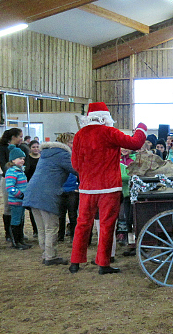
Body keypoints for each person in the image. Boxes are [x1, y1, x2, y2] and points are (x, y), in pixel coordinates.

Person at [69, 102, 147, 275]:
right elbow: (135, 143)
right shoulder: (110, 132)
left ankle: (75, 262)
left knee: (82, 224)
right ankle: (103, 263)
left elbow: (75, 164)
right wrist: (141, 127)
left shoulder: (80, 135)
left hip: (87, 188)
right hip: (109, 187)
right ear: (106, 117)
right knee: (106, 225)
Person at [23, 140, 77, 266]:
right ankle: (51, 256)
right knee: (51, 227)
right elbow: (77, 169)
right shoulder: (62, 154)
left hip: (32, 193)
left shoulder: (46, 154)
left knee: (42, 228)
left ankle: (45, 254)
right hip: (47, 195)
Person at [0, 128, 24, 242]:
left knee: (19, 206)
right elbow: (4, 165)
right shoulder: (3, 149)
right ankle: (8, 233)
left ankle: (18, 232)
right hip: (9, 179)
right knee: (8, 206)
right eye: (20, 136)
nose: (21, 139)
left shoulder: (20, 148)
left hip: (19, 179)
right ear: (13, 137)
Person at [4, 145, 32, 250]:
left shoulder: (20, 171)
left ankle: (20, 240)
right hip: (16, 201)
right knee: (16, 221)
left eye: (23, 159)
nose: (22, 161)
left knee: (20, 220)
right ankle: (15, 242)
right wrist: (20, 194)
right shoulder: (12, 172)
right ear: (13, 159)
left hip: (21, 201)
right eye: (20, 158)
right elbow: (10, 187)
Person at [24, 140, 41, 238]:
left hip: (40, 186)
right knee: (33, 209)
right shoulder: (27, 159)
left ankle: (40, 228)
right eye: (34, 147)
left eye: (37, 147)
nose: (36, 149)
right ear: (30, 148)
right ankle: (35, 229)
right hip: (30, 185)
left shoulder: (42, 158)